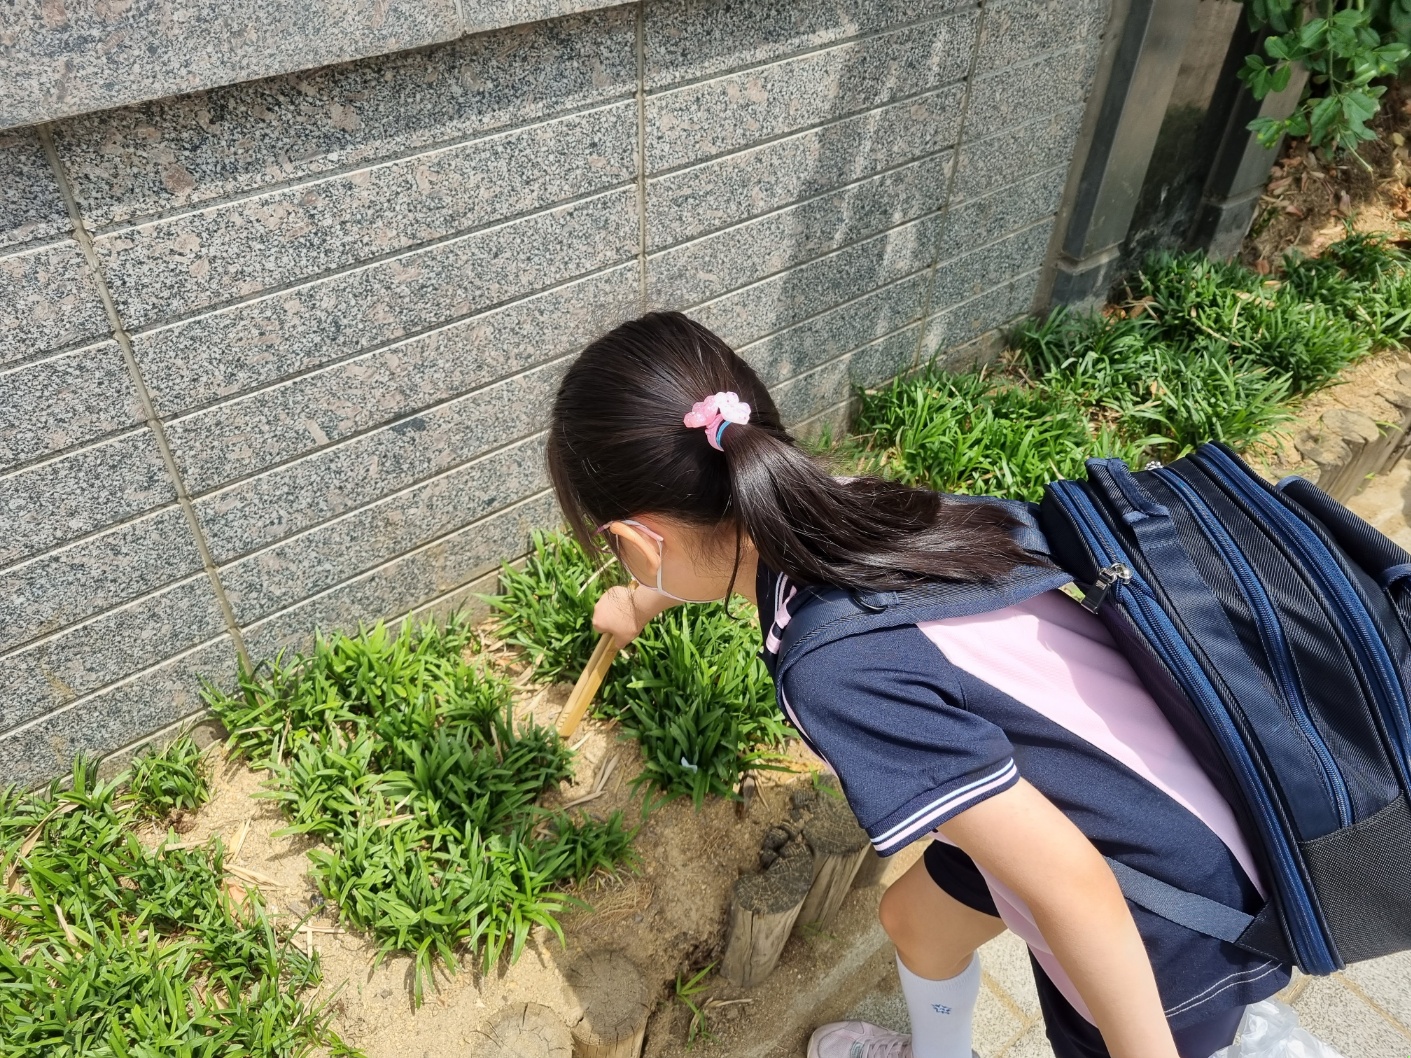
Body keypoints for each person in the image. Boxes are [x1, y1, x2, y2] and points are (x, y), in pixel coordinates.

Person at [547, 311, 1289, 1058]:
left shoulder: (834, 672)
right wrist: (644, 598)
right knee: (915, 921)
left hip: (1164, 918)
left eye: (614, 549)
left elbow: (1075, 887)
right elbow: (708, 550)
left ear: (637, 539)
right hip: (1164, 799)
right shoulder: (846, 503)